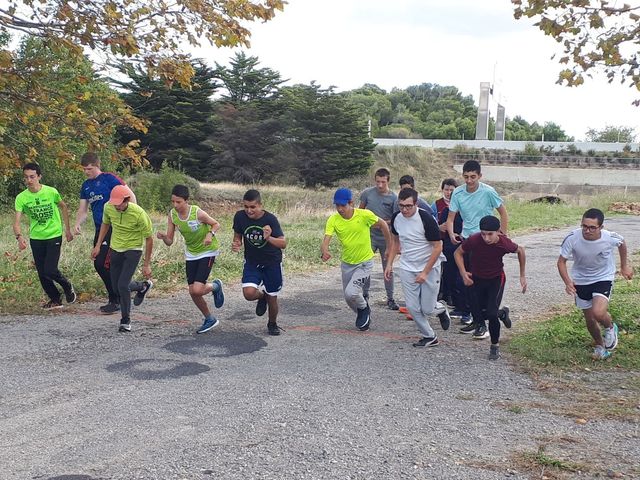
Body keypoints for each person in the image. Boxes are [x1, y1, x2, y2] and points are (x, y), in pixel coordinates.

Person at [445, 160, 510, 339]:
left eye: (473, 177)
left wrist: (502, 235)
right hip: (467, 240)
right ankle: (476, 319)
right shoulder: (457, 193)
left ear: (480, 176)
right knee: (467, 281)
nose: (469, 180)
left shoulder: (488, 192)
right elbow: (451, 218)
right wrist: (451, 234)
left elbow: (503, 212)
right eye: (466, 177)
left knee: (483, 283)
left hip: (486, 241)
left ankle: (485, 322)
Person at [557, 208, 633, 360]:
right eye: (584, 226)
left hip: (603, 277)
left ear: (601, 227)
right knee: (590, 319)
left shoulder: (609, 237)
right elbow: (561, 262)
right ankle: (600, 346)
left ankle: (611, 327)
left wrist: (624, 266)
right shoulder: (572, 237)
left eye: (592, 227)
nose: (587, 230)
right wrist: (567, 282)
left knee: (598, 313)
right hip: (581, 280)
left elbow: (622, 243)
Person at [384, 188, 451, 347]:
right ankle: (430, 336)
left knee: (427, 309)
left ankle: (440, 309)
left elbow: (437, 247)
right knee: (413, 308)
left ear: (416, 203)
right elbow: (395, 242)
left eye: (408, 206)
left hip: (429, 266)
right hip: (407, 267)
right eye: (401, 206)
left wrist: (425, 272)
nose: (405, 210)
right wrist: (389, 265)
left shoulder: (426, 218)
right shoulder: (396, 218)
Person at [454, 216, 527, 360]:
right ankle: (502, 314)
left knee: (491, 314)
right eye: (483, 233)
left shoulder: (504, 243)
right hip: (476, 279)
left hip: (495, 279)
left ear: (498, 232)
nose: (486, 238)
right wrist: (463, 273)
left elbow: (521, 251)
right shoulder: (475, 240)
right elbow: (458, 253)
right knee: (479, 315)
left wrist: (522, 275)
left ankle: (494, 346)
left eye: (490, 234)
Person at [156, 185, 225, 334]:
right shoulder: (172, 215)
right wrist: (163, 237)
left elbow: (216, 224)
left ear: (186, 201)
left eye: (179, 202)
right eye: (173, 201)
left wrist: (209, 234)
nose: (175, 205)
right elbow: (170, 241)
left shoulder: (197, 212)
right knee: (193, 292)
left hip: (207, 250)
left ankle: (215, 286)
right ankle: (209, 318)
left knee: (198, 289)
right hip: (191, 253)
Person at [322, 188, 392, 331]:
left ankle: (363, 308)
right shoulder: (333, 220)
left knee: (351, 293)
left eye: (343, 205)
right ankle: (363, 310)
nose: (340, 209)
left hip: (364, 262)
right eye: (337, 205)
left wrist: (389, 246)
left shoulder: (364, 215)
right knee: (348, 298)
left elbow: (383, 225)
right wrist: (325, 250)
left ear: (351, 203)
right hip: (347, 263)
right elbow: (326, 238)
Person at [74, 152, 134, 314]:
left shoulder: (109, 179)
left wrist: (130, 218)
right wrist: (77, 224)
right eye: (84, 169)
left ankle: (117, 298)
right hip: (100, 228)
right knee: (103, 264)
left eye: (90, 168)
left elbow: (131, 197)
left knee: (102, 263)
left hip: (115, 227)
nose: (87, 172)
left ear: (97, 166)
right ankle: (131, 289)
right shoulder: (86, 186)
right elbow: (83, 209)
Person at [13, 163, 76, 309]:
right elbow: (16, 222)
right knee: (42, 273)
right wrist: (19, 237)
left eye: (32, 177)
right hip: (36, 237)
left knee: (50, 269)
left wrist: (67, 229)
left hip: (53, 234)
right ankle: (55, 299)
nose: (29, 180)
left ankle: (67, 285)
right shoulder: (21, 198)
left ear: (39, 176)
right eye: (26, 177)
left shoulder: (51, 192)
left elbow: (63, 206)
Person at [91, 185, 153, 332]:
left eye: (119, 203)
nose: (116, 206)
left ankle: (125, 320)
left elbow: (149, 239)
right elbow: (105, 224)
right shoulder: (109, 207)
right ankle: (142, 286)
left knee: (123, 285)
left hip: (133, 249)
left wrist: (147, 264)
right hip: (115, 248)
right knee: (116, 286)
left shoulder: (138, 213)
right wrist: (98, 245)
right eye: (114, 203)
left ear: (127, 200)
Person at [232, 189, 287, 336]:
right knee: (249, 294)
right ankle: (261, 297)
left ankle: (272, 323)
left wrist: (268, 238)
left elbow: (283, 243)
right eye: (246, 207)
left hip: (272, 263)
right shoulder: (239, 217)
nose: (249, 211)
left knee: (273, 297)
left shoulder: (270, 219)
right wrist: (236, 243)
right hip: (252, 262)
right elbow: (237, 235)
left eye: (253, 207)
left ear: (260, 205)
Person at [359, 167, 399, 310]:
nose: (380, 185)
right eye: (377, 182)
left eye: (383, 182)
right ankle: (364, 295)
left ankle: (391, 298)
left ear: (388, 181)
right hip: (369, 236)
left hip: (385, 237)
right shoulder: (367, 194)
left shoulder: (393, 197)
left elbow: (395, 219)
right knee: (365, 266)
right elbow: (360, 212)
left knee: (387, 268)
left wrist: (382, 223)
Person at [433, 178, 469, 323]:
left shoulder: (465, 209)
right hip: (448, 247)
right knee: (449, 277)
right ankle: (457, 305)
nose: (449, 193)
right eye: (446, 190)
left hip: (462, 247)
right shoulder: (441, 207)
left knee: (462, 277)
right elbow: (439, 226)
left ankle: (465, 308)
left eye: (452, 191)